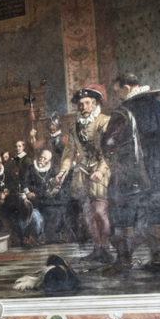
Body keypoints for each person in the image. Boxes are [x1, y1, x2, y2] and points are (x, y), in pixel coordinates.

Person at [102, 72, 160, 272]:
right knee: (154, 211)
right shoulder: (159, 107)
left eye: (118, 92)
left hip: (132, 175)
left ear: (126, 88)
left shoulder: (123, 112)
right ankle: (156, 256)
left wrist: (115, 164)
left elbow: (108, 143)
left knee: (123, 213)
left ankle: (125, 259)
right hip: (159, 174)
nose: (118, 97)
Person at [58, 86, 112, 263]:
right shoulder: (74, 127)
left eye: (87, 103)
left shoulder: (104, 121)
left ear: (94, 103)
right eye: (80, 104)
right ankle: (97, 248)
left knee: (100, 211)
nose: (83, 107)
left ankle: (106, 248)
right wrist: (62, 172)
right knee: (88, 214)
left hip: (101, 169)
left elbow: (109, 151)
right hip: (82, 171)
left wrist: (101, 170)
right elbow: (68, 152)